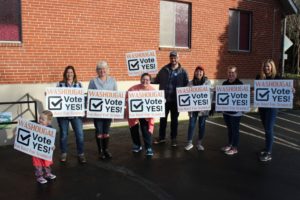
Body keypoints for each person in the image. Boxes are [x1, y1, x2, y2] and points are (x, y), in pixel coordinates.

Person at [255, 59, 290, 162]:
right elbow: (257, 90)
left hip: (272, 108)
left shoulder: (277, 78)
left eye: (268, 66)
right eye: (265, 66)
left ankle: (268, 153)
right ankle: (266, 148)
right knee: (266, 128)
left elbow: (286, 89)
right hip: (262, 107)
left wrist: (291, 90)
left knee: (269, 129)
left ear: (272, 67)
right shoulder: (259, 77)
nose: (266, 68)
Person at [153, 51, 189, 147]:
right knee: (163, 119)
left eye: (175, 58)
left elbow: (188, 85)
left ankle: (174, 139)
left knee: (174, 121)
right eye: (172, 58)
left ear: (178, 58)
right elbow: (156, 80)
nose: (173, 59)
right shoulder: (164, 69)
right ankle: (162, 137)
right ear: (170, 58)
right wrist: (146, 77)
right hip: (164, 100)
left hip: (176, 101)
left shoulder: (183, 71)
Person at [57, 65, 86, 164]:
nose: (69, 74)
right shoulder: (60, 84)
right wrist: (48, 95)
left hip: (76, 115)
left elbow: (82, 99)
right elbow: (55, 97)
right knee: (64, 135)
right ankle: (64, 153)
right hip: (63, 115)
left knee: (79, 134)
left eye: (71, 72)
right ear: (65, 74)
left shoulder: (79, 85)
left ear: (74, 74)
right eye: (68, 72)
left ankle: (81, 154)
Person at [88, 60, 117, 159]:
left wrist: (114, 112)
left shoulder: (113, 81)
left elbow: (116, 96)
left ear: (108, 70)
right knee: (99, 131)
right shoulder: (93, 81)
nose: (102, 71)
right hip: (97, 112)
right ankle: (100, 151)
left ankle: (106, 150)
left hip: (108, 111)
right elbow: (89, 95)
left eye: (104, 69)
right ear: (97, 71)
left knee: (106, 131)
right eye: (100, 69)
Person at [127, 73, 155, 156]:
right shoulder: (132, 89)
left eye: (147, 80)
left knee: (146, 130)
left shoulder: (153, 90)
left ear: (150, 81)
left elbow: (157, 101)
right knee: (134, 128)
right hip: (134, 113)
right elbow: (126, 97)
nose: (145, 81)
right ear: (140, 79)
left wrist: (161, 101)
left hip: (146, 114)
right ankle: (137, 145)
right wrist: (127, 100)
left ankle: (148, 147)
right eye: (143, 79)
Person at [185, 65, 211, 151]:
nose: (199, 73)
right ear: (195, 72)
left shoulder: (207, 82)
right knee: (191, 125)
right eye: (197, 71)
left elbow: (210, 94)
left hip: (203, 110)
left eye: (200, 71)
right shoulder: (190, 83)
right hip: (193, 109)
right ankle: (189, 143)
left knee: (202, 126)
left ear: (203, 73)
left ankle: (199, 143)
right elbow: (186, 94)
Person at [221, 66, 243, 155]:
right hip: (226, 111)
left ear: (236, 74)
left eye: (233, 73)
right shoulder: (224, 83)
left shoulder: (240, 84)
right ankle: (230, 144)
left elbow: (243, 98)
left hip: (236, 113)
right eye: (229, 72)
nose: (231, 74)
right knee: (229, 129)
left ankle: (235, 148)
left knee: (235, 130)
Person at [32, 110, 56, 184]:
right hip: (36, 150)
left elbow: (51, 139)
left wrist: (53, 145)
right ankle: (39, 177)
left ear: (48, 121)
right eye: (40, 118)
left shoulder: (50, 128)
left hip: (45, 150)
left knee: (46, 163)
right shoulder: (35, 126)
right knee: (38, 164)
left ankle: (47, 174)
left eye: (43, 119)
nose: (40, 120)